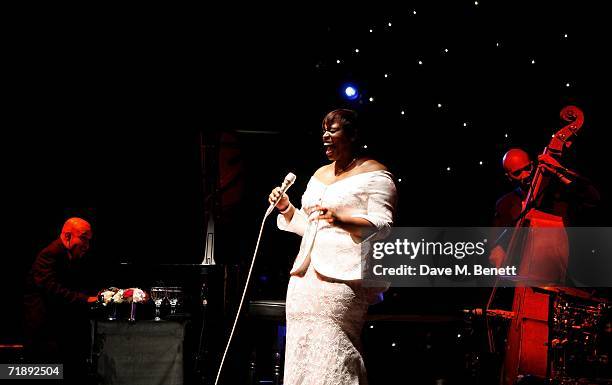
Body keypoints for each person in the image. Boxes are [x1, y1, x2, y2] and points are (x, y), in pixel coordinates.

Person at [268, 109, 397, 385]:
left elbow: (382, 226)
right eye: (324, 130)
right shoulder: (319, 175)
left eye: (334, 130)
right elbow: (312, 228)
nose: (326, 135)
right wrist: (287, 209)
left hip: (341, 281)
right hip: (304, 282)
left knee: (333, 356)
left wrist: (342, 220)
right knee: (301, 358)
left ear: (353, 135)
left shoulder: (376, 175)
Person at [23, 217, 98, 381]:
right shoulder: (49, 255)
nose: (87, 245)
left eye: (89, 240)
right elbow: (54, 291)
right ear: (67, 236)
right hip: (45, 335)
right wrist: (85, 300)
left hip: (58, 333)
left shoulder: (70, 257)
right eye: (84, 238)